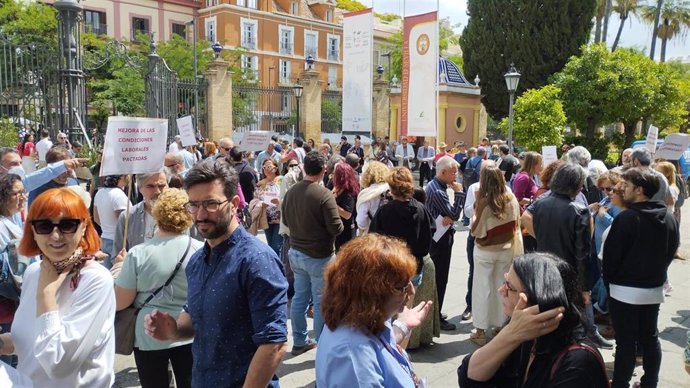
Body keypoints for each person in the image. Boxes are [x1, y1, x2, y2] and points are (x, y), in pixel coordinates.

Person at [144, 159, 288, 387]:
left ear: (234, 203)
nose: (200, 215)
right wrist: (174, 330)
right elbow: (197, 318)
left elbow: (274, 343)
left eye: (210, 204)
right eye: (193, 205)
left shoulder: (257, 260)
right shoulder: (196, 262)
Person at [0, 188, 115, 386]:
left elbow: (58, 364)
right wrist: (3, 343)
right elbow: (31, 341)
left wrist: (47, 294)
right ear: (33, 231)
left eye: (67, 225)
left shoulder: (96, 279)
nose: (55, 235)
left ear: (84, 227)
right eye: (44, 225)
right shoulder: (34, 272)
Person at [458, 252, 609, 388]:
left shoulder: (577, 362)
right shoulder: (523, 330)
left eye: (509, 286)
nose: (501, 290)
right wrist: (509, 335)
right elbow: (468, 375)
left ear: (538, 299)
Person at [316, 234, 432, 387]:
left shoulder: (360, 319)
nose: (411, 292)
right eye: (402, 287)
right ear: (373, 293)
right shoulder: (352, 356)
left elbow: (379, 345)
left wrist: (403, 325)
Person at [114, 188, 203, 388]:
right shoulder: (200, 249)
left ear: (157, 214)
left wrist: (118, 267)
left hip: (148, 332)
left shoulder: (138, 253)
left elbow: (121, 301)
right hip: (189, 330)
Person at [603, 168, 679, 388]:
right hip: (653, 288)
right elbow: (671, 249)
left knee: (626, 341)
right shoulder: (667, 216)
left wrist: (611, 282)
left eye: (626, 186)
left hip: (624, 290)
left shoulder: (627, 218)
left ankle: (620, 383)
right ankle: (649, 383)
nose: (622, 189)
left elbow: (611, 257)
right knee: (650, 337)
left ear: (640, 190)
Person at [281, 151, 343, 355]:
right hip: (319, 256)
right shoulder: (323, 194)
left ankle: (299, 341)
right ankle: (322, 346)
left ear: (304, 168)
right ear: (324, 170)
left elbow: (287, 222)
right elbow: (337, 228)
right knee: (320, 300)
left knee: (299, 298)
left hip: (296, 252)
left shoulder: (291, 191)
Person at [469, 165, 523, 346]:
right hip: (506, 249)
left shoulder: (484, 201)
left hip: (485, 251)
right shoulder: (512, 199)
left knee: (482, 289)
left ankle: (480, 331)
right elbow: (517, 223)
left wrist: (474, 214)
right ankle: (501, 325)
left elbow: (477, 231)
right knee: (502, 288)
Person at [369, 167, 432, 286]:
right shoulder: (420, 208)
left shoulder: (385, 210)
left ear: (391, 188)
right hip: (414, 264)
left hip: (390, 266)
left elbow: (374, 238)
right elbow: (428, 234)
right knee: (409, 302)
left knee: (391, 302)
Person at [424, 156, 464, 331]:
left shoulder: (436, 185)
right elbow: (454, 215)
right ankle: (436, 316)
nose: (456, 175)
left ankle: (435, 313)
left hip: (437, 237)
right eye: (453, 172)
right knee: (441, 277)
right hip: (439, 240)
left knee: (439, 276)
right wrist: (460, 193)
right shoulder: (438, 191)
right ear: (443, 172)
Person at [112, 171, 172, 257]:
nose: (157, 191)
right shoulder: (128, 217)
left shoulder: (181, 215)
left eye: (161, 186)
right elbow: (117, 254)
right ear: (140, 189)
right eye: (150, 186)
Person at [93, 175, 132, 268]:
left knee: (110, 274)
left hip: (105, 239)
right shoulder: (118, 195)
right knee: (119, 274)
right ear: (123, 176)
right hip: (118, 241)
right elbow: (125, 222)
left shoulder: (99, 192)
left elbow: (96, 218)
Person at [254, 159, 283, 255]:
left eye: (269, 166)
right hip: (266, 218)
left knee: (276, 246)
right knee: (270, 245)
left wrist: (279, 201)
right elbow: (256, 198)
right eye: (264, 167)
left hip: (280, 217)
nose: (266, 169)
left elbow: (288, 196)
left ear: (276, 168)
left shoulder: (282, 180)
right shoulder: (260, 184)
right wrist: (262, 203)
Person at [355, 161, 390, 234]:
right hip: (390, 234)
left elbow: (361, 221)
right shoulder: (390, 190)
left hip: (372, 235)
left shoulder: (366, 194)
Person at [332, 163, 359, 251]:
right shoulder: (338, 188)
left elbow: (347, 214)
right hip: (339, 231)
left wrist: (331, 203)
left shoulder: (348, 193)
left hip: (346, 233)